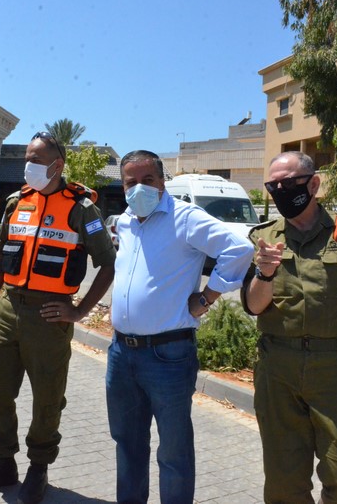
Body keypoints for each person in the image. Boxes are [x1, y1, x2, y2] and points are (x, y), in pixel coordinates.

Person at [0, 131, 116, 504]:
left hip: (49, 315)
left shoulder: (82, 208)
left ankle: (38, 468)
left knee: (47, 397)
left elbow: (108, 264)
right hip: (8, 307)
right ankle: (2, 462)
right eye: (27, 158)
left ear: (57, 165)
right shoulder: (18, 202)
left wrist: (79, 310)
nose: (28, 166)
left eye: (35, 159)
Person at [241, 151, 337, 504]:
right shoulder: (263, 238)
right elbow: (253, 305)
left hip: (336, 370)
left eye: (288, 184)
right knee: (283, 482)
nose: (280, 191)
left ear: (313, 184)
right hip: (277, 368)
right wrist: (265, 273)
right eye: (272, 186)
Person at [107, 150, 254, 504]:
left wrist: (207, 298)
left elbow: (239, 248)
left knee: (173, 452)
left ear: (162, 182)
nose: (139, 188)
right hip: (120, 352)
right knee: (127, 443)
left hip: (167, 355)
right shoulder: (125, 221)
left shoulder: (185, 218)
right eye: (131, 182)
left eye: (148, 180)